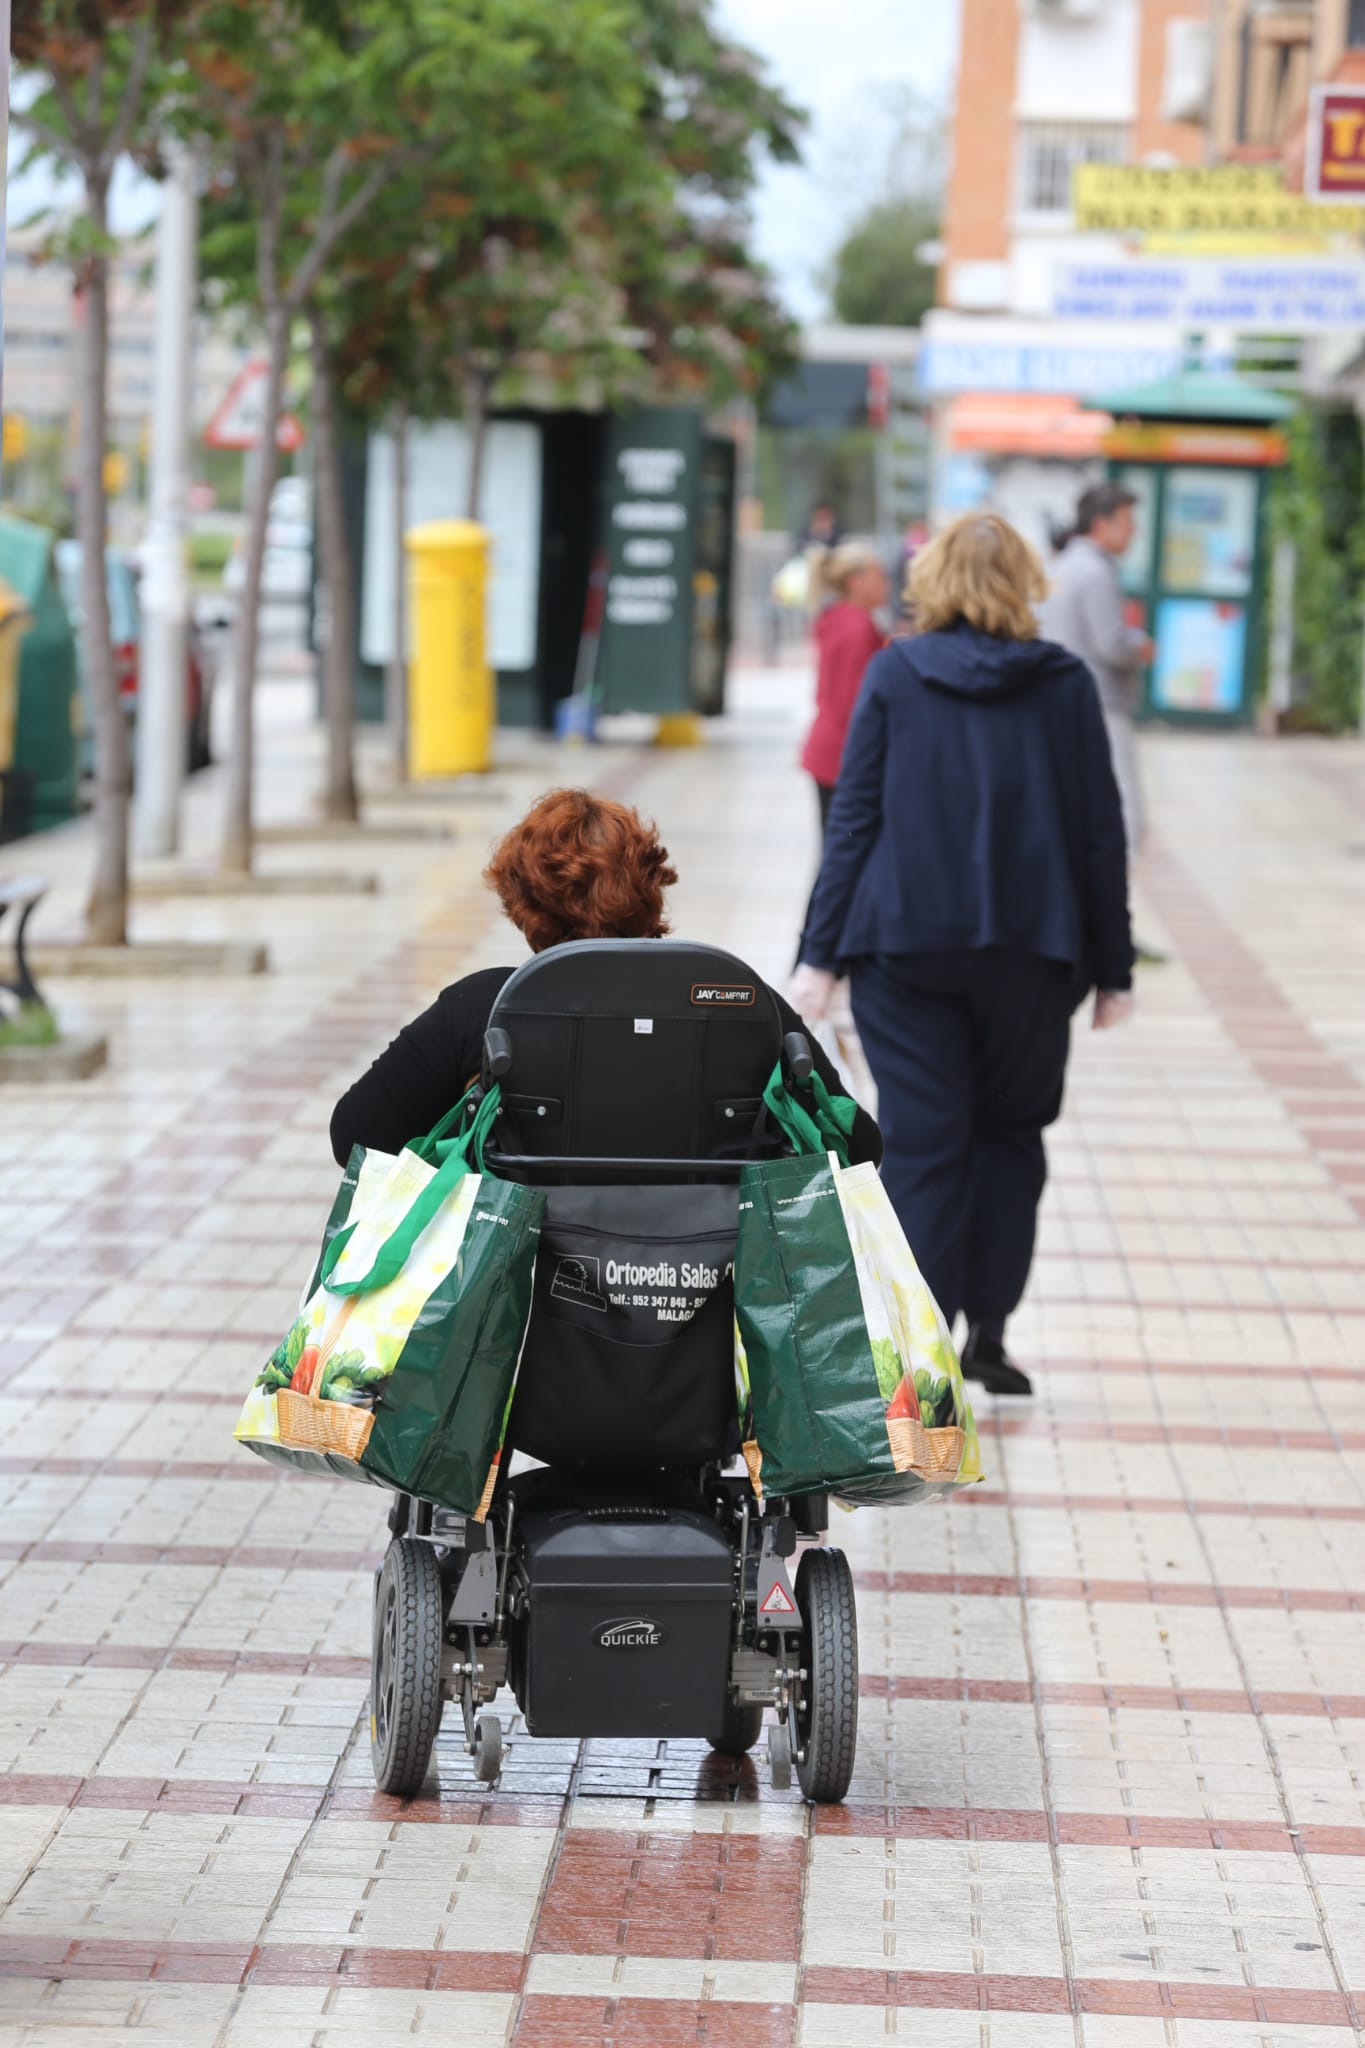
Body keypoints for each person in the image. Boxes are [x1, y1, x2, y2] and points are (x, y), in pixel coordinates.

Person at [789, 513, 1134, 1398]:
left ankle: (921, 1354)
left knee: (922, 1141)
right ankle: (990, 1334)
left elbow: (853, 819)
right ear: (1026, 582)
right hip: (1032, 951)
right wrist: (1113, 965)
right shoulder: (1062, 682)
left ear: (930, 579)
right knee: (1009, 1135)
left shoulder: (896, 671)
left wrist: (818, 957)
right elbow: (1098, 831)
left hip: (905, 947)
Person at [332, 787, 881, 1172]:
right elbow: (859, 1147)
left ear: (523, 904)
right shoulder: (742, 1002)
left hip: (521, 1285)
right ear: (652, 887)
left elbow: (353, 1136)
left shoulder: (482, 1008)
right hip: (710, 1281)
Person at [1040, 482, 1153, 860]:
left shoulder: (1062, 565)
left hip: (1064, 699)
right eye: (1127, 521)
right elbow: (1112, 644)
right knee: (1123, 805)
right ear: (1102, 524)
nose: (1133, 531)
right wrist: (1141, 645)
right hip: (1102, 700)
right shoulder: (1095, 572)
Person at [799, 541, 889, 837]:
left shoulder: (838, 617)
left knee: (835, 845)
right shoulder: (858, 628)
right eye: (879, 575)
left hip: (829, 748)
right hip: (842, 755)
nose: (887, 583)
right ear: (855, 581)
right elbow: (853, 702)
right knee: (844, 849)